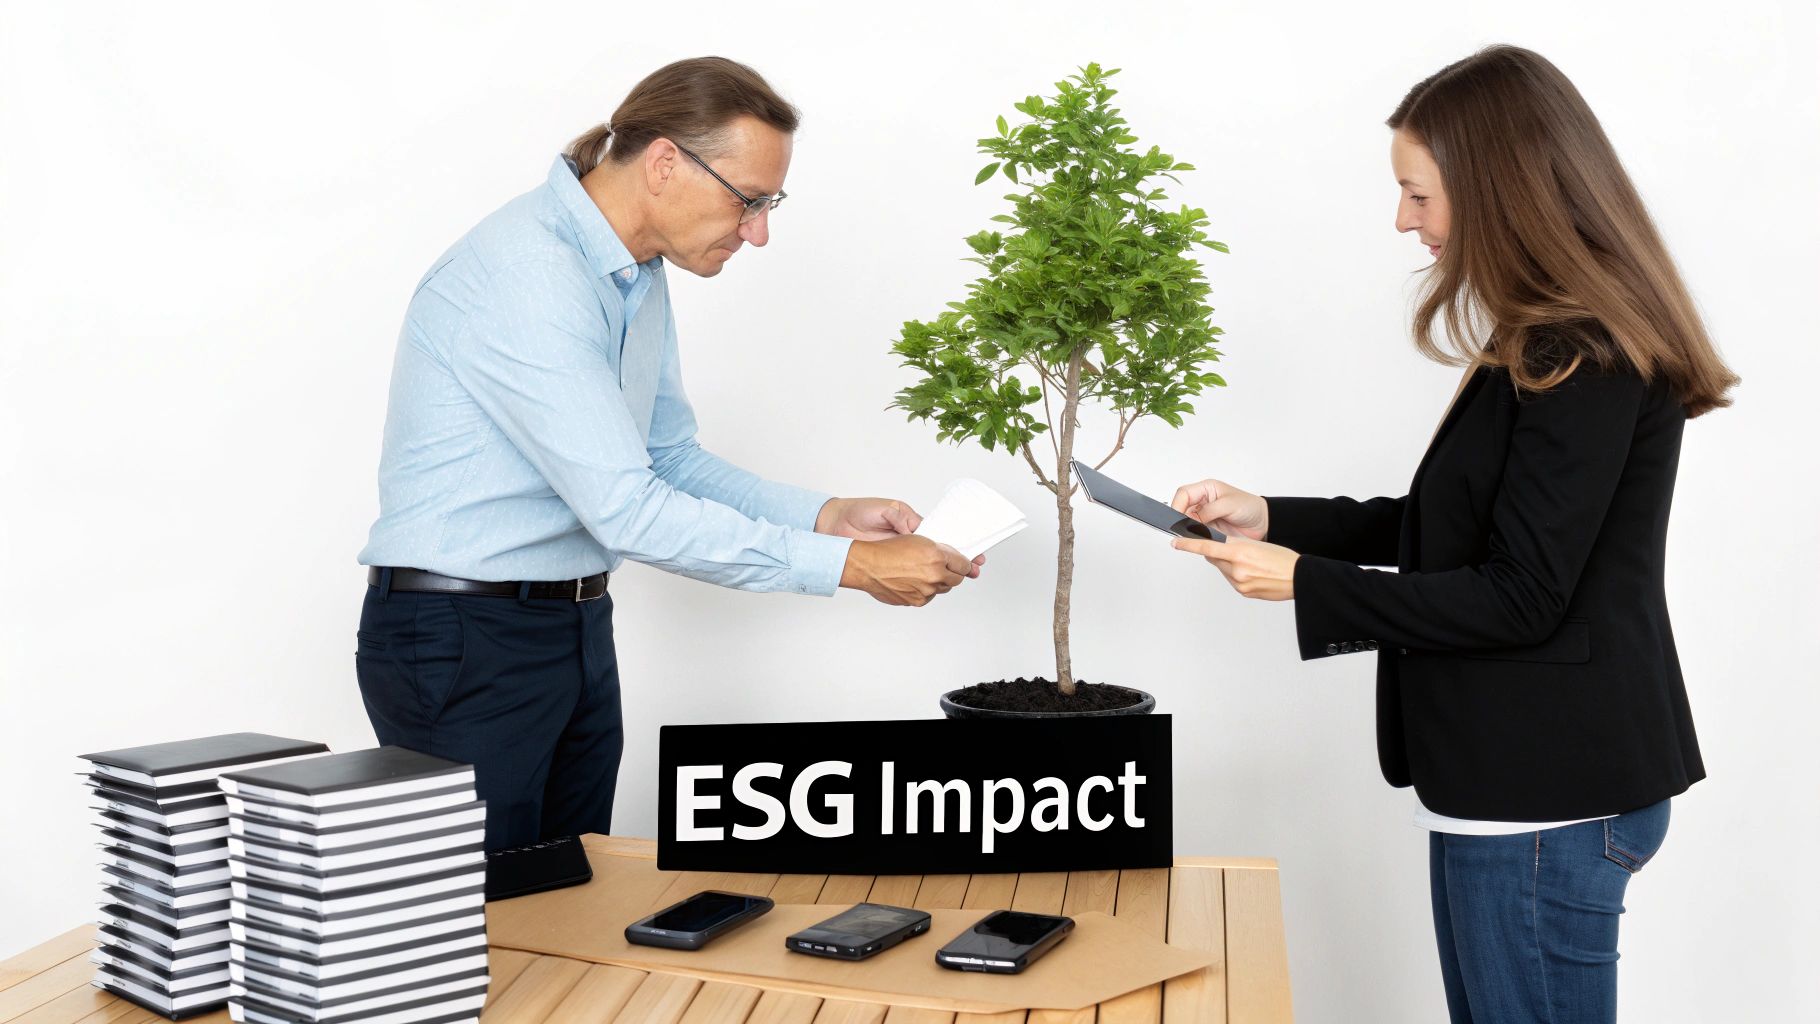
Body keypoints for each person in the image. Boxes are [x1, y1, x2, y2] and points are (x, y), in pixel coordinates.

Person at [1166, 45, 1737, 1024]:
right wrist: (1272, 518)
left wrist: (1304, 582)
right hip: (1516, 793)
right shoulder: (1545, 334)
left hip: (1547, 800)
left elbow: (1519, 590)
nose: (1402, 220)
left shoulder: (1578, 346)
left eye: (1416, 193)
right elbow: (1453, 526)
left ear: (1494, 185)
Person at [355, 57, 980, 852]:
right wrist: (850, 568)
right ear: (662, 163)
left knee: (567, 907)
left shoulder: (633, 274)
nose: (759, 231)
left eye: (769, 204)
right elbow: (629, 509)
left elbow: (667, 459)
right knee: (484, 928)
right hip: (462, 637)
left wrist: (829, 518)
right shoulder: (529, 275)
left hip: (570, 625)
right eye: (748, 201)